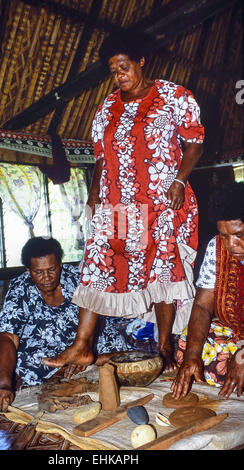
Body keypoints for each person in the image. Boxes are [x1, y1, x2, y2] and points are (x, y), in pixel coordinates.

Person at [42, 31, 204, 373]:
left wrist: (179, 180)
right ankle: (82, 345)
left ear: (141, 61)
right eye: (114, 70)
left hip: (162, 198)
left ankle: (163, 347)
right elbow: (101, 156)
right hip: (118, 203)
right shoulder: (107, 107)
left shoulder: (175, 96)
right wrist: (94, 194)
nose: (119, 75)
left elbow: (194, 143)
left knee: (162, 269)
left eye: (124, 67)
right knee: (97, 262)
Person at [0, 237, 133, 411]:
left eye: (52, 269)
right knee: (25, 361)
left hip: (86, 336)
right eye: (38, 272)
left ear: (60, 264)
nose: (46, 277)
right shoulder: (19, 287)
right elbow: (8, 336)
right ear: (28, 270)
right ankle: (93, 361)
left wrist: (86, 345)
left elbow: (98, 316)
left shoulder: (78, 278)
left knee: (115, 341)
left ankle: (84, 358)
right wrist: (2, 385)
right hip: (44, 343)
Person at [171, 181, 244, 400]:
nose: (232, 244)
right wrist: (192, 356)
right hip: (237, 332)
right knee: (187, 345)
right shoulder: (217, 248)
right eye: (224, 236)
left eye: (239, 235)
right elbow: (203, 305)